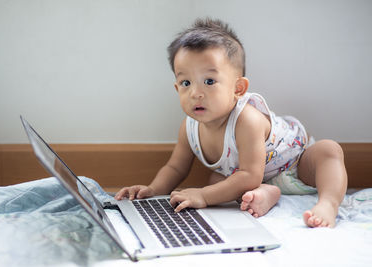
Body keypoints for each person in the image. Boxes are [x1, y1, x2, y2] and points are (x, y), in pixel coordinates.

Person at [115, 18, 348, 228]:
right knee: (217, 181)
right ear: (176, 88)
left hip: (295, 165)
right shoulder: (189, 127)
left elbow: (249, 174)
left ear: (238, 89)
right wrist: (154, 190)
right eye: (186, 83)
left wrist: (204, 196)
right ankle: (264, 194)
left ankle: (328, 203)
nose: (196, 92)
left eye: (209, 81)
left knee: (328, 151)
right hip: (252, 178)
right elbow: (175, 168)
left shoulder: (247, 120)